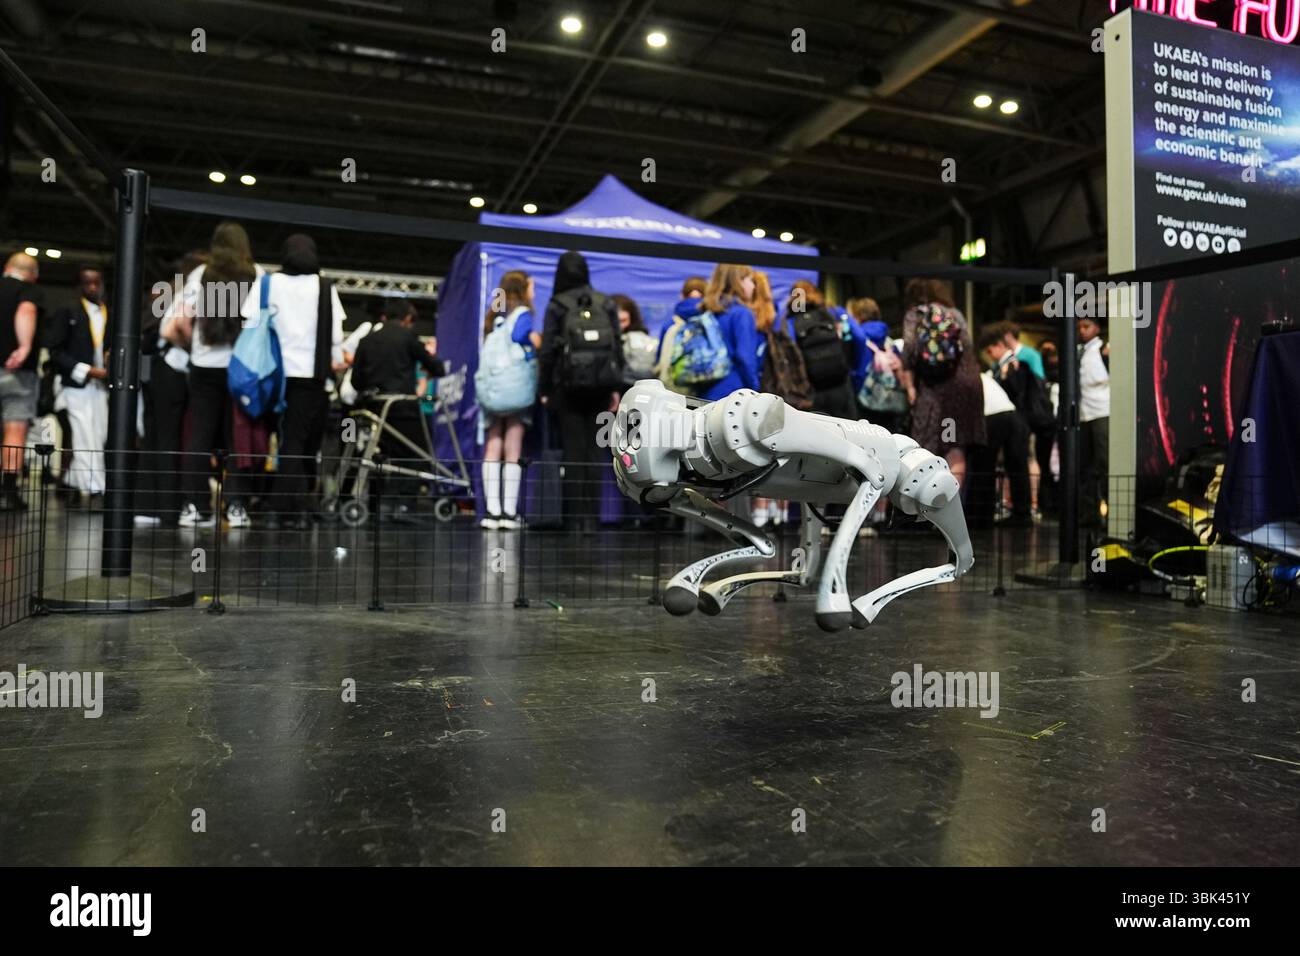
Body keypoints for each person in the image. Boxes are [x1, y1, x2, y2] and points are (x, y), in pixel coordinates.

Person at [239, 234, 345, 530]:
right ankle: (294, 508)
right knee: (300, 442)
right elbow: (335, 335)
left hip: (270, 373)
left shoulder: (269, 283)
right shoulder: (324, 286)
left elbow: (249, 321)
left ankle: (276, 504)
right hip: (311, 375)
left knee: (277, 438)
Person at [162, 222, 262, 528]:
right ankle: (235, 507)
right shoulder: (257, 275)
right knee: (238, 439)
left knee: (199, 436)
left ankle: (194, 506)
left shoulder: (200, 275)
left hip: (204, 367)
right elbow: (260, 323)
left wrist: (192, 347)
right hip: (241, 369)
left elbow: (175, 326)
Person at [537, 251, 622, 527]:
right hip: (600, 387)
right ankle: (592, 518)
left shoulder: (557, 305)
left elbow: (548, 351)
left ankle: (573, 519)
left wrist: (544, 388)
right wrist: (615, 388)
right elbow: (616, 349)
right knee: (596, 452)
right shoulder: (605, 302)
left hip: (567, 388)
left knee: (573, 452)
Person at [351, 300, 446, 520]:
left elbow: (357, 380)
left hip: (374, 409)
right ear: (407, 319)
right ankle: (404, 505)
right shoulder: (407, 338)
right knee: (415, 453)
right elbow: (436, 366)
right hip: (402, 408)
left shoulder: (367, 341)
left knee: (379, 455)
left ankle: (380, 503)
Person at [900, 278, 985, 487]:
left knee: (925, 449)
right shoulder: (955, 315)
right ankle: (951, 505)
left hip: (934, 388)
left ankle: (926, 509)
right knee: (953, 444)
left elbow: (909, 349)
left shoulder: (915, 315)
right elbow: (967, 345)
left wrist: (910, 387)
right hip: (965, 387)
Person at [477, 271, 541, 530]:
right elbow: (521, 339)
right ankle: (509, 512)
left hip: (493, 392)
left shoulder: (494, 318)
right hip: (515, 390)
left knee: (493, 445)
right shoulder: (523, 315)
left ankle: (491, 512)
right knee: (513, 447)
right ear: (523, 289)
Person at [47, 266, 111, 505]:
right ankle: (97, 490)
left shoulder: (108, 312)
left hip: (101, 386)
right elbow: (55, 351)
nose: (93, 288)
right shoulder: (68, 311)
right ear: (79, 286)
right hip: (74, 385)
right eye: (88, 283)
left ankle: (70, 481)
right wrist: (86, 370)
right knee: (85, 437)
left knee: (100, 435)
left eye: (97, 283)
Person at [979, 320, 1056, 515]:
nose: (990, 356)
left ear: (998, 345)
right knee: (1014, 465)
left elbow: (1020, 395)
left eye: (990, 351)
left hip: (1020, 421)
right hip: (1015, 421)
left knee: (1018, 465)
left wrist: (1008, 376)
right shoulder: (1003, 366)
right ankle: (1019, 509)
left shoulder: (1016, 365)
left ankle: (1023, 511)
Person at [779, 279, 864, 420]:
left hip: (812, 392)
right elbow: (860, 337)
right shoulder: (834, 312)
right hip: (842, 383)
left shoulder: (789, 323)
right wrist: (856, 372)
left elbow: (789, 358)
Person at [0, 252, 41, 511]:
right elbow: (26, 310)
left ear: (6, 268)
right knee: (15, 429)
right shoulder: (28, 290)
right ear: (34, 275)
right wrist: (24, 346)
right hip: (16, 371)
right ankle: (9, 492)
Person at [967, 369, 1031, 528]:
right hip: (1012, 415)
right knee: (1017, 468)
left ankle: (980, 517)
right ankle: (1023, 514)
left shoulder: (964, 379)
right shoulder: (982, 376)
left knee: (983, 467)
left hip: (992, 417)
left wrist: (953, 439)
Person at [1078, 317, 1110, 528]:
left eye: (1086, 326)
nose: (1081, 330)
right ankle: (1089, 512)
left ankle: (1111, 512)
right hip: (1083, 414)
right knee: (1086, 466)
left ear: (1097, 328)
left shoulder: (1104, 349)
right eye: (1079, 327)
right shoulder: (1080, 352)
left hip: (1103, 411)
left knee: (1105, 462)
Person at [613, 294, 657, 387]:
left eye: (624, 320)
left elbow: (641, 371)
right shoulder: (605, 339)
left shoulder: (638, 338)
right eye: (617, 321)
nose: (620, 326)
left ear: (632, 318)